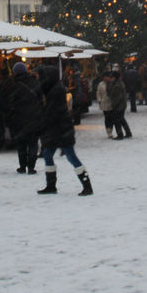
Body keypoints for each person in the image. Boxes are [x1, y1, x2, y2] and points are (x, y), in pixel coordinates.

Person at [35, 65, 93, 196]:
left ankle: (87, 185)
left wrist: (43, 123)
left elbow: (52, 111)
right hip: (57, 129)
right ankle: (51, 185)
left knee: (71, 156)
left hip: (61, 129)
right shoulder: (52, 88)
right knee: (48, 154)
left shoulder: (56, 90)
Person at [2, 62, 43, 173]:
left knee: (21, 144)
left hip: (18, 119)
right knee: (33, 143)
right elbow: (41, 100)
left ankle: (22, 166)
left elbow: (7, 102)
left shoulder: (12, 85)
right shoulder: (34, 82)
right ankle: (31, 167)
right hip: (34, 117)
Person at [108, 70, 132, 139]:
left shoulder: (117, 85)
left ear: (115, 78)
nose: (110, 78)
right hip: (121, 105)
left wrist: (114, 105)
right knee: (121, 119)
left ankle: (120, 134)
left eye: (111, 77)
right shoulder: (118, 83)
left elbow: (117, 97)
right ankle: (128, 132)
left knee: (117, 120)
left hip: (119, 106)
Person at [95, 71, 114, 138]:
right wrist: (99, 100)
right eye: (105, 77)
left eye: (108, 77)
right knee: (107, 117)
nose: (106, 78)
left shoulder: (112, 83)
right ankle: (108, 131)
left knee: (111, 118)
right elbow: (98, 92)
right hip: (104, 103)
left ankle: (110, 130)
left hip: (111, 103)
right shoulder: (100, 84)